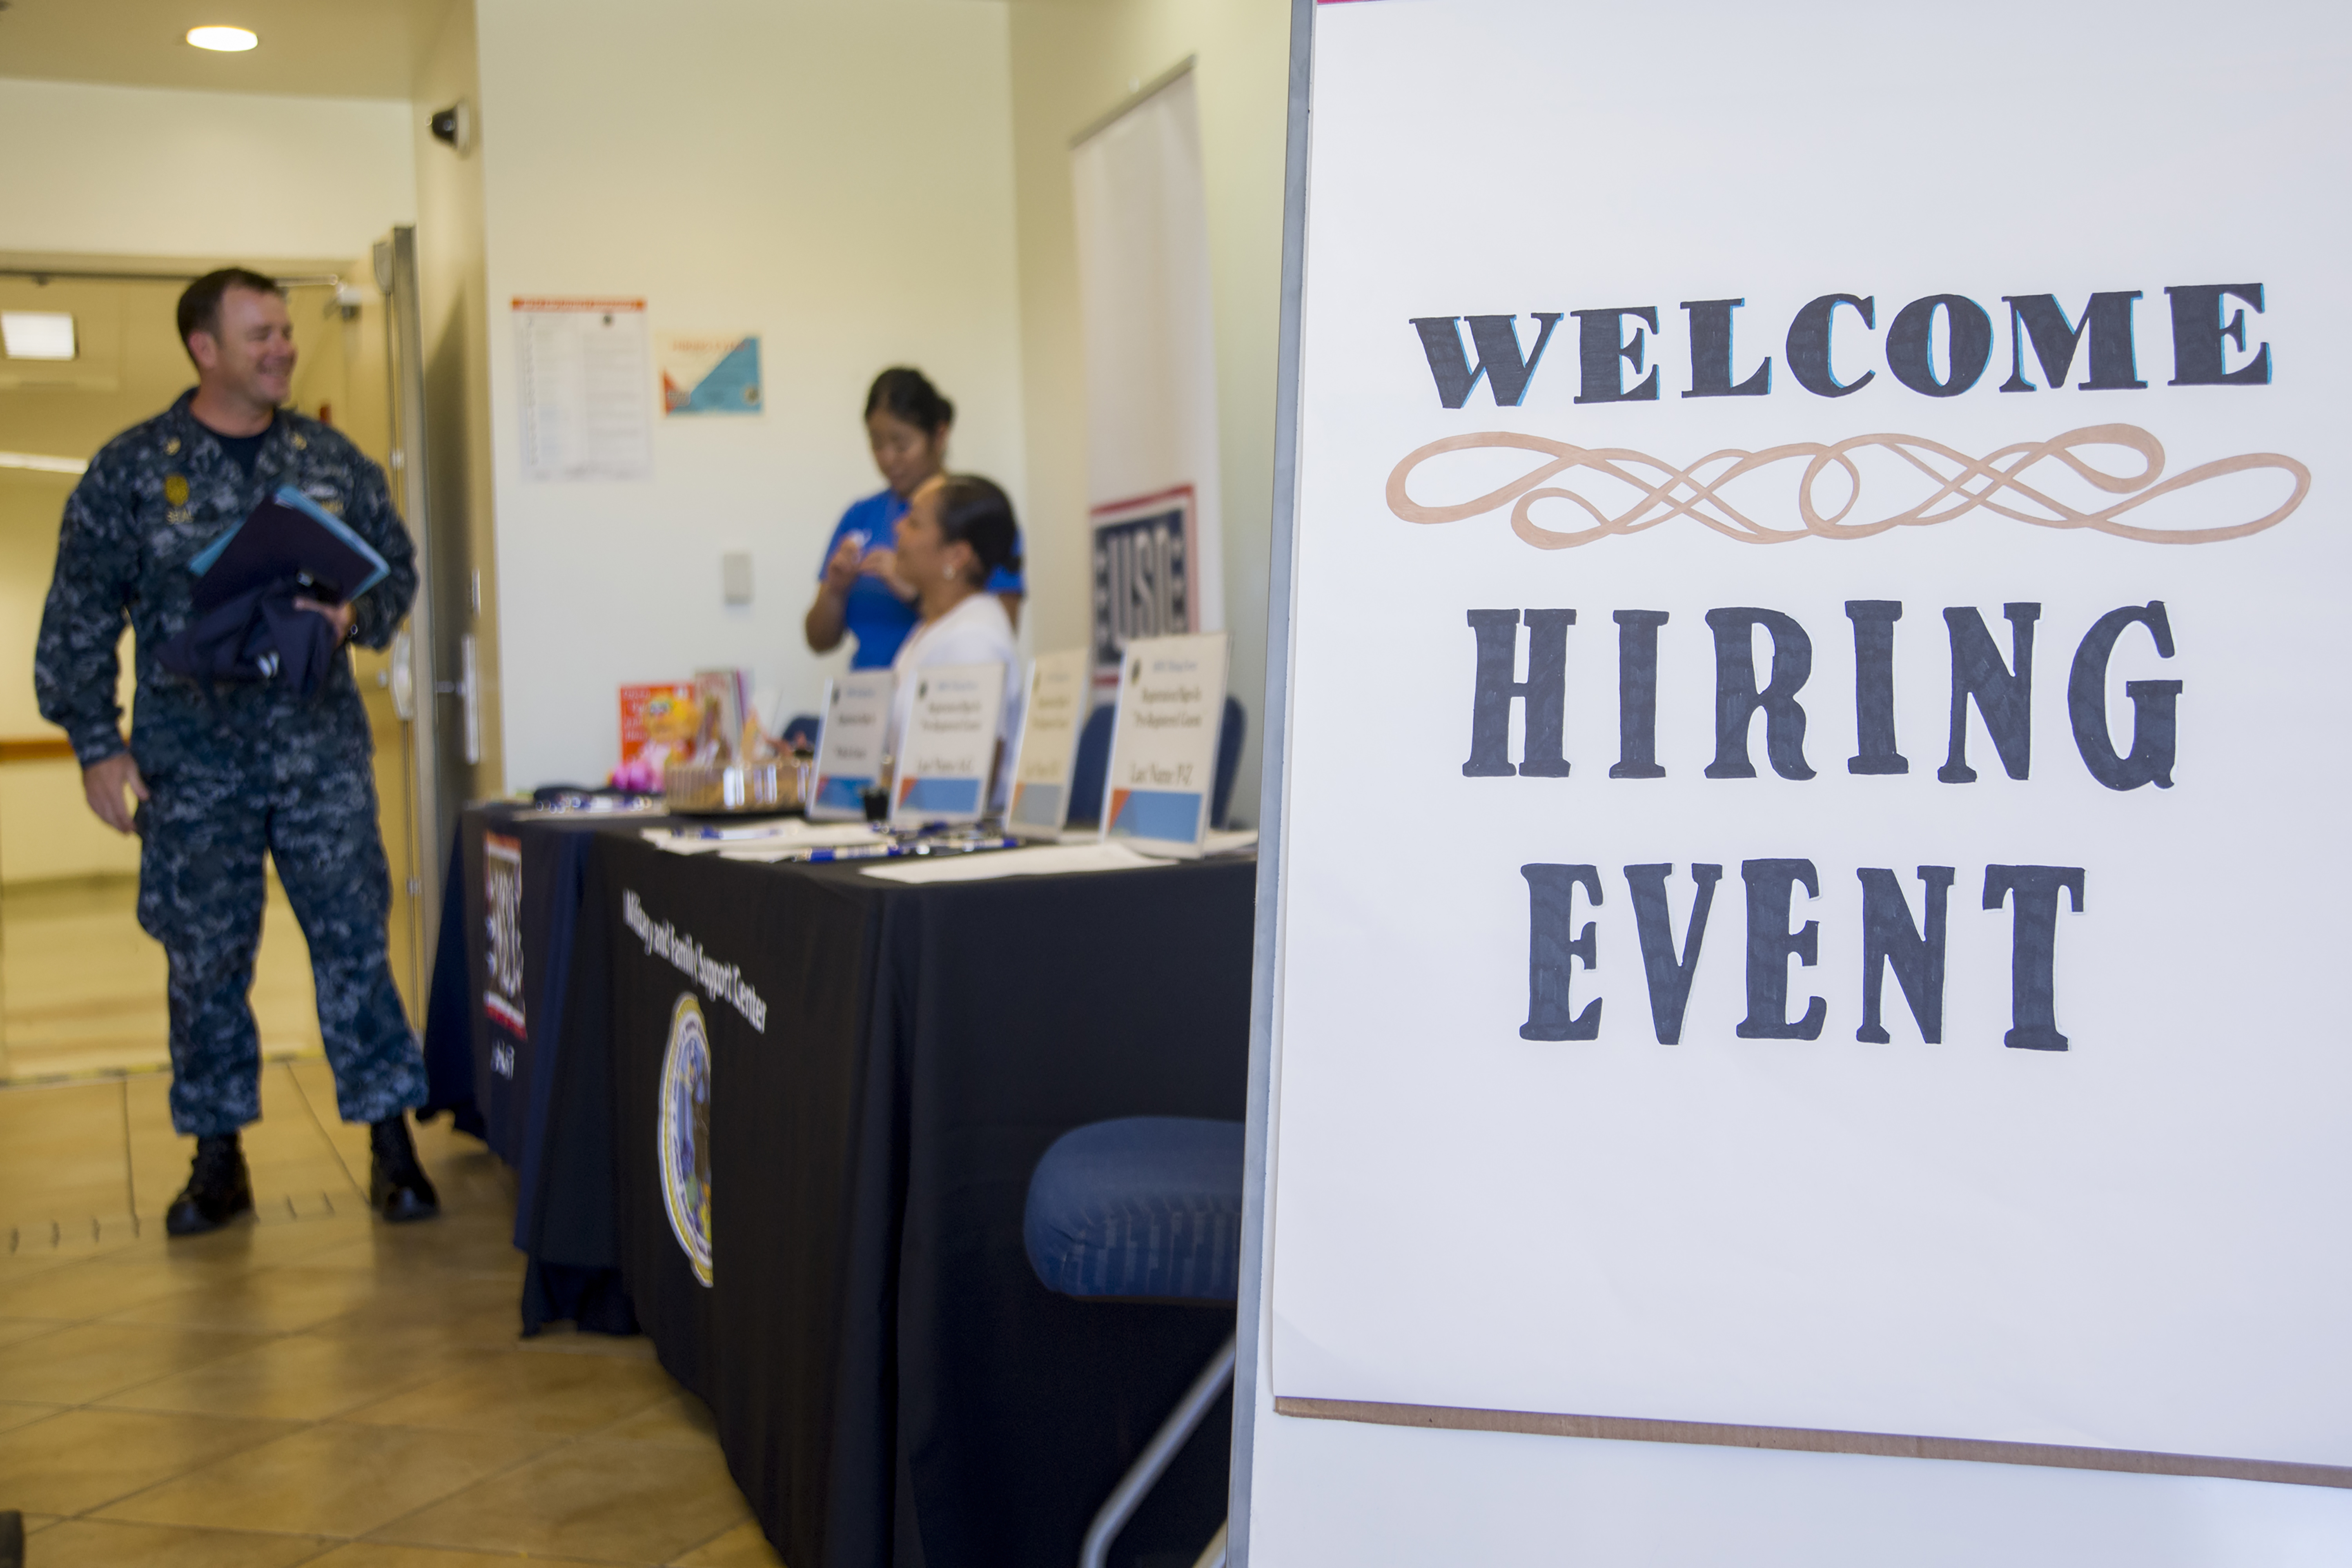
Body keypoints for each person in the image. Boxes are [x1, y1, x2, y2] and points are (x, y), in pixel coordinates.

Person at [34, 267, 439, 1235]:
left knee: (353, 943)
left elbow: (394, 572)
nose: (283, 348)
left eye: (286, 332)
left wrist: (352, 614)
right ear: (203, 349)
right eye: (259, 334)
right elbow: (80, 619)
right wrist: (97, 743)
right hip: (190, 763)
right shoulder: (132, 470)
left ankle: (392, 1143)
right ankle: (217, 1160)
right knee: (205, 959)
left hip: (318, 756)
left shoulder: (329, 460)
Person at [803, 367, 1023, 668]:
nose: (888, 459)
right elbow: (819, 640)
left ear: (939, 436)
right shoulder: (860, 516)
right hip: (874, 697)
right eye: (877, 445)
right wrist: (835, 591)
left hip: (944, 693)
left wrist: (913, 592)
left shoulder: (978, 513)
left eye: (902, 444)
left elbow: (992, 632)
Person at [884, 474, 1026, 807]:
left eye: (914, 523)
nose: (897, 529)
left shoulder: (974, 640)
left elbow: (959, 796)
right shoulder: (935, 627)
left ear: (957, 555)